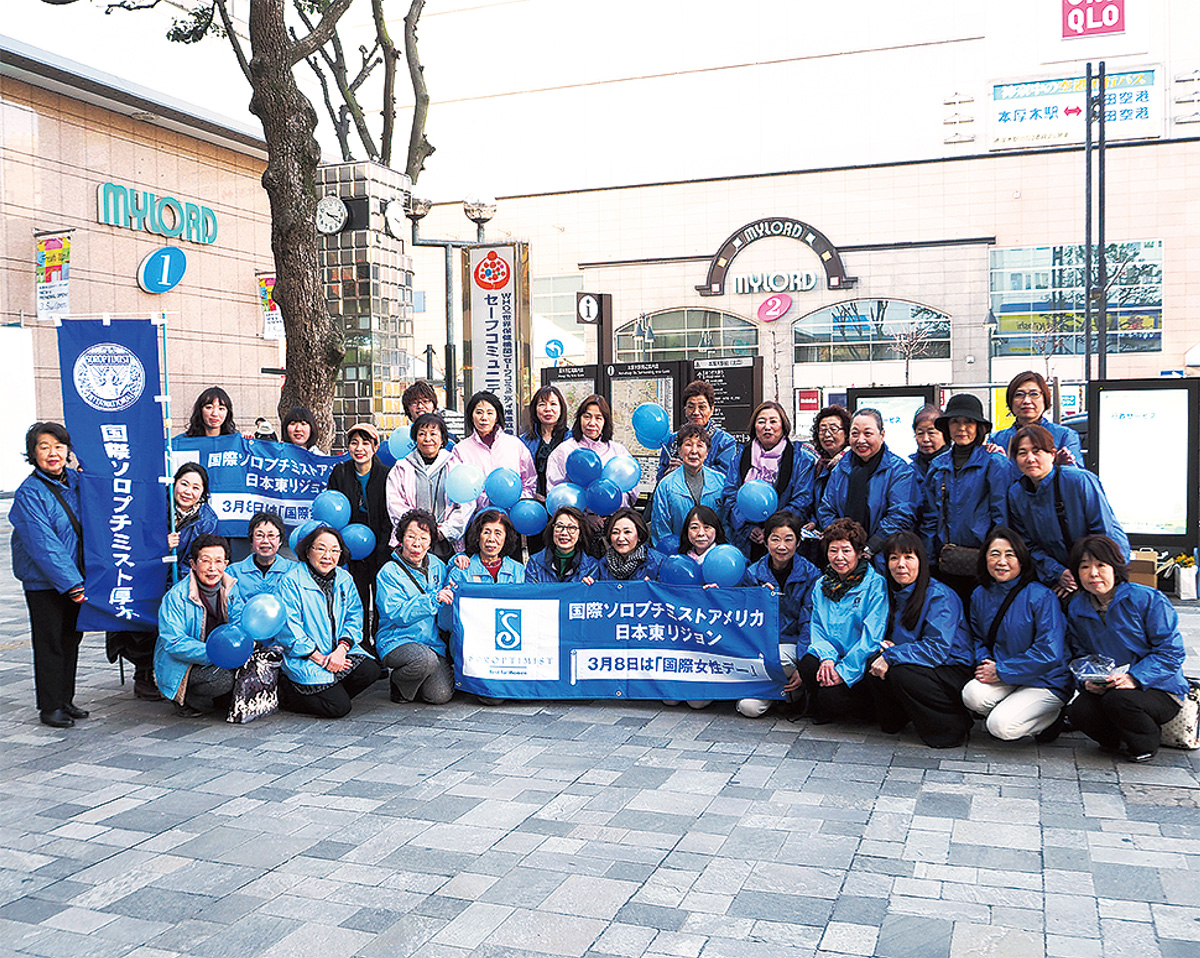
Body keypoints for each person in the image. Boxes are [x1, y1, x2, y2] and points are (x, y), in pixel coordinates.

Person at [1065, 535, 1188, 763]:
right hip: (1112, 686)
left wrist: (1135, 678)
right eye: (1084, 566)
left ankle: (1146, 743)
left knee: (1120, 700)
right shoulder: (1077, 607)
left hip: (1160, 687)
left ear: (1115, 567)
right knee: (1079, 710)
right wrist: (1088, 681)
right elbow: (1079, 652)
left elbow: (1171, 653)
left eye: (1101, 565)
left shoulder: (1147, 599)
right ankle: (1116, 740)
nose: (1093, 573)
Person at [864, 531, 975, 748]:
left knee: (901, 671)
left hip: (951, 666)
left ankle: (950, 727)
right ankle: (896, 720)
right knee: (873, 661)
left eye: (908, 557)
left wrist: (892, 655)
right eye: (893, 558)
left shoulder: (940, 595)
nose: (900, 565)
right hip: (919, 661)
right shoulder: (893, 593)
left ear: (921, 561)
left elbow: (937, 648)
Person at [11, 423, 89, 728]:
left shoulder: (77, 481)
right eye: (44, 447)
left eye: (58, 446)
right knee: (50, 642)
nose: (52, 453)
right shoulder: (28, 493)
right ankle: (49, 706)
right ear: (33, 453)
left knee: (71, 638)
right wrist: (72, 584)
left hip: (77, 578)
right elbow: (44, 546)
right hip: (45, 582)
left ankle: (65, 699)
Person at [962, 527, 1071, 742]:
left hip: (1045, 679)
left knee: (1000, 727)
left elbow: (1049, 653)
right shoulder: (979, 594)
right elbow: (976, 638)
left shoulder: (1042, 596)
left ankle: (1052, 718)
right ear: (985, 559)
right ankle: (1019, 705)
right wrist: (985, 663)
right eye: (995, 554)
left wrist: (1002, 671)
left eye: (1009, 554)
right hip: (1005, 672)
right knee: (971, 696)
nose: (1002, 561)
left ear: (1022, 560)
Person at [1007, 424, 1129, 598]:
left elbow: (1103, 532)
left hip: (1102, 567)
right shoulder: (1016, 494)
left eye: (1037, 451)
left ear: (1052, 454)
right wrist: (1059, 573)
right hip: (1060, 574)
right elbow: (1028, 544)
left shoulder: (1078, 480)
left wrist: (1083, 574)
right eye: (1022, 453)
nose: (1030, 458)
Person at [275, 526, 382, 718]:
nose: (328, 555)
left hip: (336, 653)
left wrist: (341, 651)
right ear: (307, 551)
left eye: (334, 550)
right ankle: (287, 693)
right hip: (306, 657)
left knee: (370, 670)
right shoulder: (291, 581)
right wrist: (320, 658)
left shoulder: (344, 578)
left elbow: (354, 616)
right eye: (321, 548)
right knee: (339, 708)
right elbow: (289, 629)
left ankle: (328, 688)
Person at [919, 394, 1010, 606]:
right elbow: (930, 517)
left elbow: (1001, 517)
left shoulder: (995, 463)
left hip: (984, 561)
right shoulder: (938, 465)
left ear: (979, 427)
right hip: (946, 562)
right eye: (955, 422)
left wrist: (997, 557)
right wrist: (929, 560)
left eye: (969, 422)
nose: (962, 428)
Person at [798, 517, 889, 724]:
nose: (839, 557)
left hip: (860, 659)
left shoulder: (875, 584)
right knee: (808, 665)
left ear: (858, 553)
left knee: (832, 697)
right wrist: (827, 658)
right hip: (834, 655)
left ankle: (859, 709)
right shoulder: (822, 584)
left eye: (846, 551)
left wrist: (843, 671)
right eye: (833, 550)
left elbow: (872, 636)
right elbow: (818, 627)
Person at [736, 511, 821, 719]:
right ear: (765, 542)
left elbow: (809, 622)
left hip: (790, 646)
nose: (781, 546)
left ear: (799, 542)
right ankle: (781, 693)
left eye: (788, 539)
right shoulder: (752, 573)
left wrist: (803, 665)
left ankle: (791, 687)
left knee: (781, 658)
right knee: (749, 708)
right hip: (760, 648)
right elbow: (740, 616)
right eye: (775, 539)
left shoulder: (812, 575)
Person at [155, 533, 245, 717]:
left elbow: (240, 621)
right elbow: (174, 642)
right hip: (185, 664)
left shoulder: (231, 588)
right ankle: (186, 698)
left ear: (226, 564)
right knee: (221, 680)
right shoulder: (176, 597)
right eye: (205, 561)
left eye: (219, 561)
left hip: (222, 656)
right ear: (193, 564)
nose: (213, 568)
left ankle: (221, 698)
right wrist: (214, 653)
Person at [375, 509, 457, 705]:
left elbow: (450, 582)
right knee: (424, 661)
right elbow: (397, 613)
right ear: (401, 539)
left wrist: (457, 561)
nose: (416, 543)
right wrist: (432, 600)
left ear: (430, 541)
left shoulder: (437, 564)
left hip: (432, 643)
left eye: (423, 537)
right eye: (411, 536)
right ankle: (399, 685)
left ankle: (416, 680)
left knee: (439, 696)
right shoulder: (388, 572)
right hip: (397, 640)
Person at [817, 408, 916, 560]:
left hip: (884, 554)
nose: (860, 440)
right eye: (855, 434)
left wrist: (870, 547)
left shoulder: (899, 470)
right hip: (843, 556)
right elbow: (826, 508)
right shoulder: (841, 468)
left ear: (882, 435)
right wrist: (842, 542)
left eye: (868, 433)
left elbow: (900, 515)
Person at [721, 400, 816, 559]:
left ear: (783, 426)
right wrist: (748, 528)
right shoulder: (740, 457)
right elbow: (730, 494)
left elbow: (803, 498)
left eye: (773, 421)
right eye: (761, 421)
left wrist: (774, 529)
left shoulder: (800, 459)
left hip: (784, 539)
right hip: (746, 541)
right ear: (754, 426)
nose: (767, 426)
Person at [326, 422, 392, 644]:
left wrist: (384, 547)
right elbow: (332, 508)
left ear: (375, 447)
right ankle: (361, 644)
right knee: (357, 598)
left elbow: (389, 514)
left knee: (382, 599)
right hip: (350, 546)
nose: (359, 448)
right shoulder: (340, 471)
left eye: (365, 442)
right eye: (354, 442)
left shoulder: (386, 474)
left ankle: (380, 644)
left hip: (381, 542)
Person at [546, 394, 636, 540]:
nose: (592, 423)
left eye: (598, 418)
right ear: (579, 419)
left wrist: (613, 516)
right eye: (587, 416)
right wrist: (585, 517)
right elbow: (556, 494)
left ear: (605, 422)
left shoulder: (618, 451)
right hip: (576, 531)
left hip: (615, 528)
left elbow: (631, 491)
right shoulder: (563, 452)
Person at [386, 413, 471, 561]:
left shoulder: (455, 466)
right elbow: (395, 505)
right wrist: (419, 532)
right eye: (422, 434)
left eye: (433, 434)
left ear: (442, 439)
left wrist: (445, 531)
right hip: (412, 544)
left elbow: (465, 504)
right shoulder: (402, 468)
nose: (427, 439)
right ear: (415, 438)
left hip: (447, 543)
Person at [450, 391, 537, 511]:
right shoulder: (460, 450)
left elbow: (529, 481)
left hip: (513, 515)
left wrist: (515, 501)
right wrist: (487, 502)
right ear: (471, 416)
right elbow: (459, 487)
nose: (484, 418)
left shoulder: (515, 444)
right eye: (479, 412)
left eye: (490, 413)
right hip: (477, 517)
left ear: (497, 417)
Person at [650, 423, 725, 547]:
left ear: (707, 452)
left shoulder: (720, 481)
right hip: (678, 555)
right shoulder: (666, 485)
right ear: (679, 451)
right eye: (688, 444)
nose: (694, 451)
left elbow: (727, 523)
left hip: (715, 556)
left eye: (700, 445)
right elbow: (661, 528)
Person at [988, 371, 1081, 467]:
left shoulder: (1064, 435)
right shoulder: (996, 439)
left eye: (1034, 394)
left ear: (1045, 398)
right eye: (1019, 394)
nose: (1026, 401)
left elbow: (1077, 475)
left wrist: (1060, 466)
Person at [655, 379, 739, 481]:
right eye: (691, 407)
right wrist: (667, 474)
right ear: (685, 410)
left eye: (702, 407)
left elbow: (725, 476)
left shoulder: (725, 442)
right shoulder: (672, 440)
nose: (696, 412)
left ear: (711, 410)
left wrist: (689, 470)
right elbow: (660, 475)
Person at [228, 512, 296, 604]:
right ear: (251, 540)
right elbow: (232, 609)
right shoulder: (233, 572)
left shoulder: (293, 570)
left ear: (280, 541)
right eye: (259, 535)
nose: (265, 541)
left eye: (271, 535)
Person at [447, 509, 527, 586]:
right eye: (486, 532)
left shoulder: (517, 569)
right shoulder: (461, 570)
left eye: (498, 533)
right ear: (478, 536)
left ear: (506, 538)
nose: (491, 539)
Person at [526, 506, 601, 583]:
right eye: (559, 526)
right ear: (552, 529)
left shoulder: (591, 566)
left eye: (571, 527)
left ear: (580, 533)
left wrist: (584, 589)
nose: (564, 533)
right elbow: (531, 593)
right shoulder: (535, 563)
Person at [169, 462, 219, 579]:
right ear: (175, 483)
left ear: (202, 492)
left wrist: (180, 588)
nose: (188, 491)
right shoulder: (156, 506)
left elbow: (200, 560)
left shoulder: (208, 520)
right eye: (184, 484)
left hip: (183, 581)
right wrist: (162, 546)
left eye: (195, 488)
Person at [519, 385, 569, 500]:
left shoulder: (572, 439)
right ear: (534, 409)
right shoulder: (523, 441)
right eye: (542, 404)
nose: (547, 409)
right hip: (531, 504)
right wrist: (532, 495)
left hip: (564, 503)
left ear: (561, 408)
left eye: (553, 404)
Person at [590, 508, 663, 582]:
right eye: (615, 532)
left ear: (639, 536)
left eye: (627, 532)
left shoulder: (658, 563)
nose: (621, 538)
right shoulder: (602, 565)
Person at [801, 404, 852, 510]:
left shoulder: (852, 463)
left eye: (833, 429)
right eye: (822, 430)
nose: (827, 434)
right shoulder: (818, 465)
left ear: (846, 433)